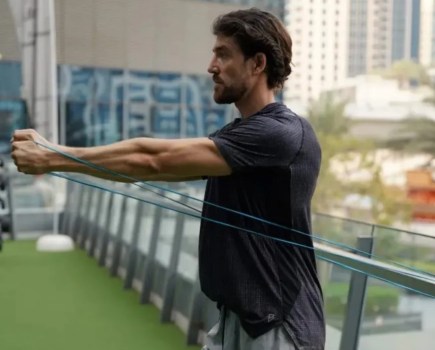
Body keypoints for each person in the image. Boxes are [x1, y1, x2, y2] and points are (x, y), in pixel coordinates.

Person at [11, 8, 325, 350]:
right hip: (242, 317)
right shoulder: (240, 134)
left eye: (223, 54)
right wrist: (55, 159)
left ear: (257, 64)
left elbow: (152, 160)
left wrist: (52, 156)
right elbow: (149, 168)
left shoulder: (280, 133)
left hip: (281, 326)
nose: (211, 66)